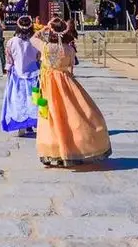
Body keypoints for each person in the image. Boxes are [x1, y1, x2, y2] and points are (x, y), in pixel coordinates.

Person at [30, 18, 111, 167]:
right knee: (72, 113)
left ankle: (53, 149)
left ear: (52, 32)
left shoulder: (46, 47)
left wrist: (45, 28)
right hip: (66, 82)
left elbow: (33, 38)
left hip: (48, 84)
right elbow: (71, 67)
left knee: (50, 116)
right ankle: (74, 147)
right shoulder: (69, 49)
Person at [1, 15, 40, 137]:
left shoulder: (11, 42)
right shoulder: (35, 41)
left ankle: (21, 124)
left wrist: (7, 70)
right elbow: (39, 57)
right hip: (34, 75)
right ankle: (33, 123)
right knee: (34, 100)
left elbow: (9, 60)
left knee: (19, 100)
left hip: (17, 75)